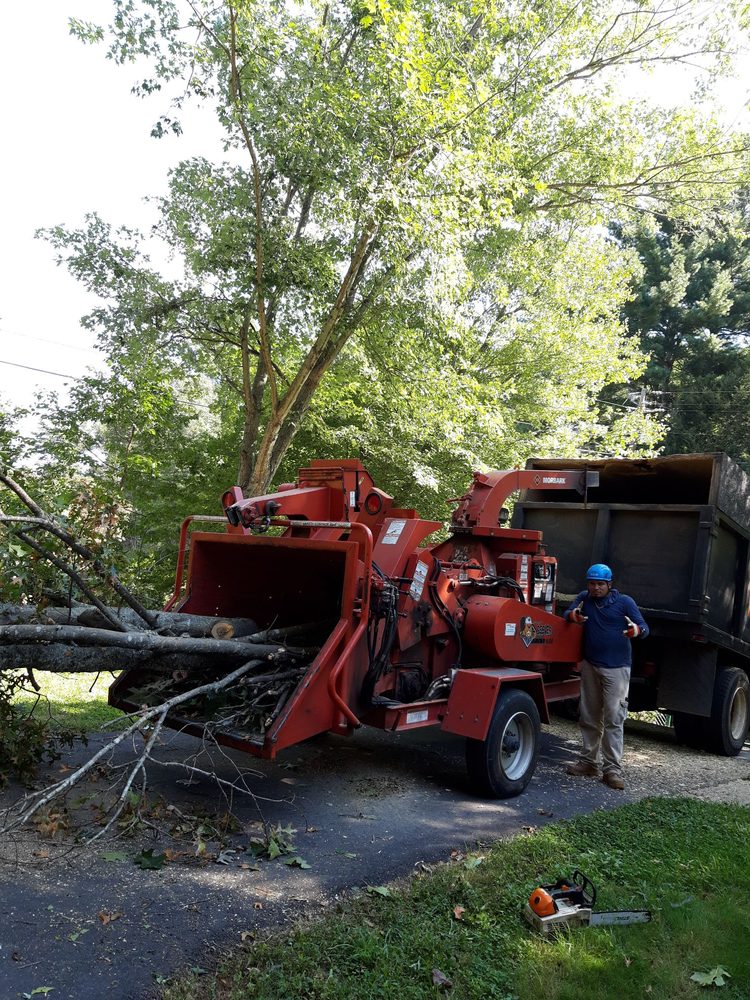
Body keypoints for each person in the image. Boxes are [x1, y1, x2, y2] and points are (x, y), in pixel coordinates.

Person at [564, 563, 649, 790]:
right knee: (589, 716)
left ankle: (612, 770)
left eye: (600, 584)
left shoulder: (624, 603)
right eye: (592, 583)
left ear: (609, 585)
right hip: (591, 666)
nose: (595, 588)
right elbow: (568, 613)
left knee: (614, 719)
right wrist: (574, 615)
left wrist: (635, 631)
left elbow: (643, 627)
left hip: (617, 669)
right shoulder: (585, 599)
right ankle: (588, 763)